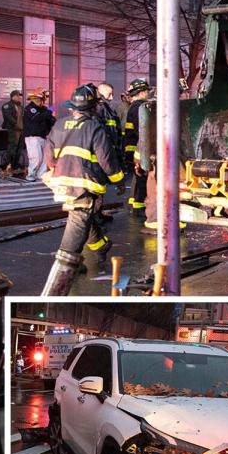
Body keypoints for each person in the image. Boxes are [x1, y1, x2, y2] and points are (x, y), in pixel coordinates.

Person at [40, 84, 124, 296]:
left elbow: (49, 157)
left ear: (72, 107)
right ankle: (67, 265)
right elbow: (106, 160)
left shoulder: (58, 125)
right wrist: (119, 180)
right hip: (85, 183)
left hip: (62, 182)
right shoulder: (94, 127)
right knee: (79, 219)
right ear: (93, 108)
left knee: (84, 215)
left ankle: (100, 245)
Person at [123, 79, 152, 214]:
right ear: (142, 92)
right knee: (143, 176)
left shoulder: (132, 108)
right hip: (141, 149)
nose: (148, 93)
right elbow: (143, 132)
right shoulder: (142, 108)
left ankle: (137, 204)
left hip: (135, 148)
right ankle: (139, 206)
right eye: (146, 91)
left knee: (138, 176)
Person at [22, 90, 55, 181]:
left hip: (43, 136)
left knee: (45, 158)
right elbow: (37, 118)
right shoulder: (29, 109)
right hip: (32, 136)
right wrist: (48, 112)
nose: (39, 101)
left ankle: (41, 175)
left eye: (40, 99)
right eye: (37, 99)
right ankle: (31, 175)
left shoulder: (44, 109)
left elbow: (50, 120)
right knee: (36, 157)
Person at [0, 89, 24, 175]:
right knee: (13, 147)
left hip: (21, 130)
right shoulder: (6, 106)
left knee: (19, 148)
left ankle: (15, 165)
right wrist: (17, 125)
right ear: (13, 96)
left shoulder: (21, 106)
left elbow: (23, 117)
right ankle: (8, 164)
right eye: (18, 95)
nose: (19, 97)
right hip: (13, 130)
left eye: (20, 96)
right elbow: (8, 117)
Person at [96, 82, 123, 158]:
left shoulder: (110, 111)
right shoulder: (97, 111)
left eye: (112, 95)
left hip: (111, 151)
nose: (111, 98)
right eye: (109, 94)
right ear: (101, 94)